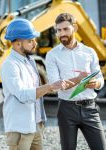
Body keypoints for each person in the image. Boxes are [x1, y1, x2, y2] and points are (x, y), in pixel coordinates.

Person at [0, 18, 71, 150]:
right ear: (17, 43)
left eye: (34, 39)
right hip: (20, 129)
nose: (35, 43)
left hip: (36, 125)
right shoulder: (10, 65)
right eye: (30, 40)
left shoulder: (30, 61)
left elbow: (36, 90)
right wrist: (49, 86)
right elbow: (22, 95)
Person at [45, 13, 106, 150]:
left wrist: (96, 83)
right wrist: (79, 79)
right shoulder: (52, 55)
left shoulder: (89, 52)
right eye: (58, 30)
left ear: (75, 28)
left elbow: (100, 79)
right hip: (67, 110)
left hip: (90, 109)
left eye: (65, 29)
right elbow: (55, 85)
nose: (62, 34)